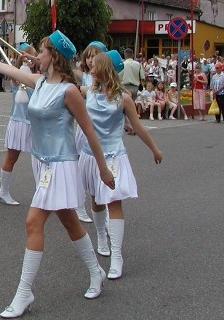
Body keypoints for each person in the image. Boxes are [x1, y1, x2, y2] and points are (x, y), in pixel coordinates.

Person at [0, 30, 114, 319]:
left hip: (62, 165)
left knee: (33, 221)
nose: (37, 56)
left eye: (41, 51)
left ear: (54, 56)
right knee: (70, 221)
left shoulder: (69, 91)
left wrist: (102, 168)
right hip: (43, 164)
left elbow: (88, 130)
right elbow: (13, 69)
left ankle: (24, 292)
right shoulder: (40, 83)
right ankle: (96, 271)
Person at [79, 51, 162, 280]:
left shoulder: (123, 98)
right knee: (96, 200)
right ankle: (101, 238)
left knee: (114, 203)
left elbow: (138, 127)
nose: (90, 69)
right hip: (91, 155)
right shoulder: (89, 92)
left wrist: (154, 149)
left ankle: (117, 256)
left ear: (105, 68)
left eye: (94, 66)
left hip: (114, 156)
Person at [0, 44, 37, 206]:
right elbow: (13, 75)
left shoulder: (36, 77)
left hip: (34, 124)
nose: (29, 61)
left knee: (40, 159)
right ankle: (3, 190)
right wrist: (19, 62)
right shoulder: (17, 79)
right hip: (18, 122)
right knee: (12, 157)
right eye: (27, 57)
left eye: (31, 57)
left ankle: (42, 192)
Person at [73, 40, 107, 223]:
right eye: (89, 56)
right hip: (84, 126)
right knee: (80, 166)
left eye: (95, 56)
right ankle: (79, 204)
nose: (91, 60)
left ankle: (101, 204)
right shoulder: (82, 76)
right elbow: (69, 73)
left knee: (101, 166)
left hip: (102, 130)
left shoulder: (106, 79)